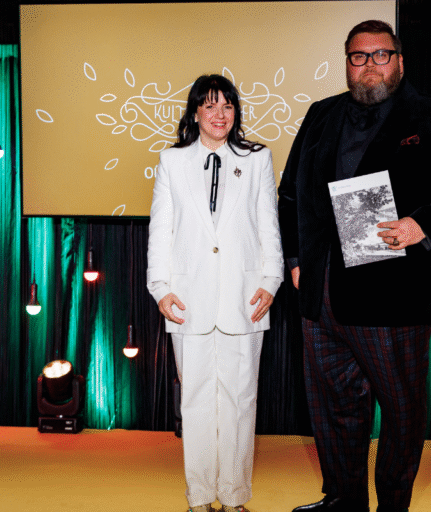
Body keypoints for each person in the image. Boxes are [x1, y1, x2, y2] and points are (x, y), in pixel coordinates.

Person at [278, 20, 431, 512]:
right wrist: (295, 259)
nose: (369, 64)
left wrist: (422, 224)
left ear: (399, 60)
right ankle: (343, 499)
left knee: (400, 414)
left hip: (395, 294)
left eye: (380, 54)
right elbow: (291, 194)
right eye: (359, 56)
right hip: (321, 295)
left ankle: (393, 506)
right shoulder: (321, 114)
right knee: (334, 407)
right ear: (347, 63)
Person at [147, 74, 283, 512]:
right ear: (195, 113)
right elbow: (161, 229)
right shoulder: (172, 161)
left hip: (247, 297)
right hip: (187, 300)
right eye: (209, 105)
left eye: (227, 105)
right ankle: (201, 496)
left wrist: (272, 280)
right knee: (196, 402)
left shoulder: (258, 159)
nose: (219, 114)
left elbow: (269, 223)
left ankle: (235, 496)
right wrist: (160, 287)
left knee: (241, 402)